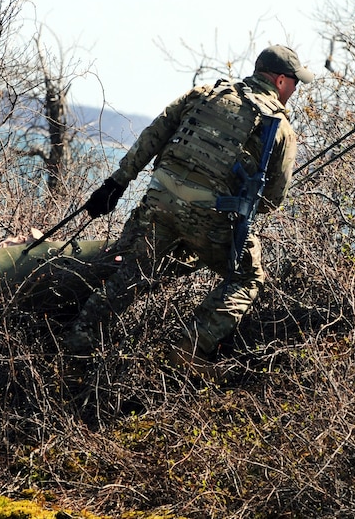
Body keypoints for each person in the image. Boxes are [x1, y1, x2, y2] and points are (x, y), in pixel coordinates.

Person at [62, 45, 313, 375]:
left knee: (133, 270)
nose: (294, 91)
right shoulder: (279, 127)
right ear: (281, 81)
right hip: (212, 220)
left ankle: (77, 345)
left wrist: (116, 184)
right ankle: (189, 350)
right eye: (295, 83)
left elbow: (155, 133)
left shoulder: (207, 93)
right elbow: (270, 202)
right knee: (249, 277)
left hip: (158, 203)